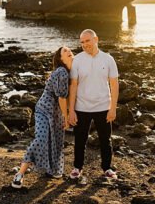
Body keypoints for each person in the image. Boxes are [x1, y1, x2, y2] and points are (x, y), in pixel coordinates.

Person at [11, 46, 72, 188]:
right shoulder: (61, 71)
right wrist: (66, 116)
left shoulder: (71, 72)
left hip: (55, 113)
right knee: (41, 139)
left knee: (56, 141)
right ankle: (19, 174)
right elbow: (62, 97)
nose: (69, 51)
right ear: (60, 58)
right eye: (65, 51)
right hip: (44, 110)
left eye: (70, 50)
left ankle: (53, 170)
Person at [68, 29, 120, 182]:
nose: (84, 44)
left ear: (95, 39)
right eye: (82, 42)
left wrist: (113, 108)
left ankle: (107, 168)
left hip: (103, 106)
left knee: (105, 140)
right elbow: (73, 86)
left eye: (87, 41)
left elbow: (114, 85)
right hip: (81, 107)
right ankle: (77, 167)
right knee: (79, 139)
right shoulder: (77, 60)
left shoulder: (108, 59)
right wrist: (71, 110)